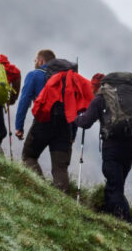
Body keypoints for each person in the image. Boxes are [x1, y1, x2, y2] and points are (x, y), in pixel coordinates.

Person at [75, 72, 132, 221]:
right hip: (131, 147)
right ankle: (111, 215)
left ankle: (123, 221)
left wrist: (76, 118)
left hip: (112, 147)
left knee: (114, 186)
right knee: (117, 185)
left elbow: (86, 122)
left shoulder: (101, 97)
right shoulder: (130, 97)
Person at [22, 59, 93, 191]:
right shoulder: (74, 84)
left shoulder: (46, 79)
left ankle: (40, 188)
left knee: (29, 156)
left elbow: (36, 104)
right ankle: (61, 198)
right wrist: (72, 135)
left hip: (42, 124)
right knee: (60, 168)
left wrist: (20, 125)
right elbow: (75, 112)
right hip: (64, 128)